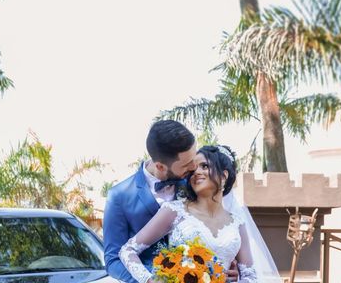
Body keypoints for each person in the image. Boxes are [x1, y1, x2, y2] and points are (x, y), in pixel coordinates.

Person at [118, 145, 282, 283]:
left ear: (224, 176)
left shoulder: (237, 223)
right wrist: (151, 280)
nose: (196, 172)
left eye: (204, 166)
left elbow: (250, 276)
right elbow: (127, 250)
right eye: (193, 169)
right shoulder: (175, 211)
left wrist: (237, 279)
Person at [103, 121, 240, 283]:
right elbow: (113, 261)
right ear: (160, 167)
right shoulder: (119, 196)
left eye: (194, 159)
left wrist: (226, 265)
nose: (194, 167)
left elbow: (217, 224)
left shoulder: (195, 184)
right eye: (187, 164)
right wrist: (154, 280)